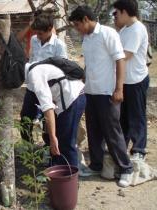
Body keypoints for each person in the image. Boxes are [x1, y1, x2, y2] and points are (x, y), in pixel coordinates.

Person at [69, 6, 133, 187]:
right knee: (94, 131)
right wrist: (84, 78)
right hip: (91, 91)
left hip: (107, 92)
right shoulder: (86, 39)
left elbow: (120, 60)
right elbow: (90, 63)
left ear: (86, 19)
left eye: (77, 25)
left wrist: (119, 88)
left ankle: (125, 168)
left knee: (112, 132)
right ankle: (96, 164)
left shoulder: (108, 34)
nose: (77, 29)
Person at [24, 62, 85, 166]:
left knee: (66, 142)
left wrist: (52, 138)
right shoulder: (35, 67)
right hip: (71, 97)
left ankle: (70, 177)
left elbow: (48, 108)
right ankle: (56, 169)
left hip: (73, 98)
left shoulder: (34, 75)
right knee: (59, 138)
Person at [20, 13, 68, 142]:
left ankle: (48, 150)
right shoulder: (34, 40)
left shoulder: (59, 46)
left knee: (47, 121)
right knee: (25, 118)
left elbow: (62, 69)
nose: (38, 37)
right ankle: (28, 147)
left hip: (49, 89)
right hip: (32, 86)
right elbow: (33, 58)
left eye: (41, 33)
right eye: (37, 33)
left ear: (49, 29)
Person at [113, 0, 149, 161]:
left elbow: (126, 55)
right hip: (125, 80)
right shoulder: (125, 29)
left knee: (137, 116)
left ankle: (139, 149)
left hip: (136, 80)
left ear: (125, 12)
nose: (116, 16)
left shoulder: (137, 29)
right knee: (124, 117)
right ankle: (123, 146)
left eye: (117, 13)